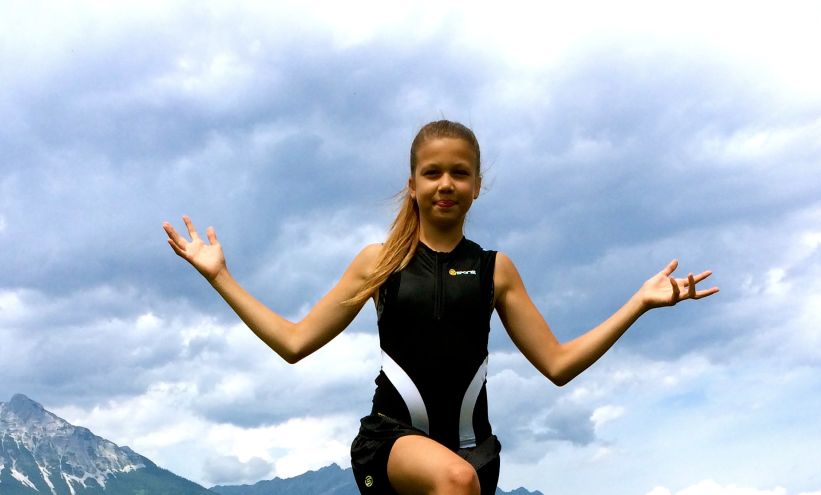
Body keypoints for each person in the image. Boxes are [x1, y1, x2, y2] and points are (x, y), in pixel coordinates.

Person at [163, 120, 718, 495]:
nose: (445, 184)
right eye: (432, 173)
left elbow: (558, 364)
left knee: (458, 478)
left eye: (459, 172)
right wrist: (220, 277)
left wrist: (637, 304)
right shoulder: (378, 262)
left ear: (478, 185)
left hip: (476, 456)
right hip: (391, 445)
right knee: (452, 480)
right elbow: (293, 343)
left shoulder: (496, 270)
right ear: (413, 185)